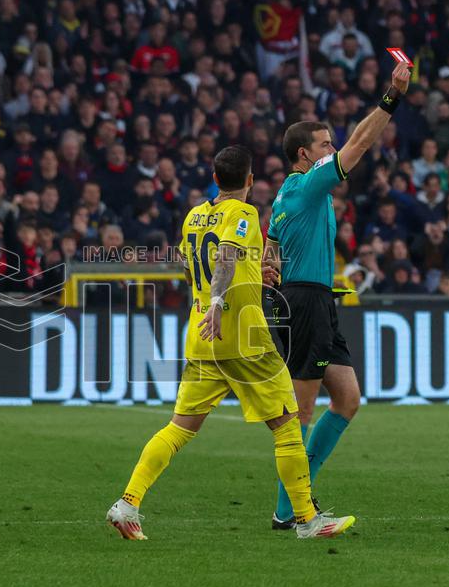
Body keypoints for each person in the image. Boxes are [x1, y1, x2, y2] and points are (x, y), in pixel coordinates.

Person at [106, 146, 355, 541]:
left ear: (214, 176)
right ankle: (307, 519)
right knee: (288, 424)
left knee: (179, 427)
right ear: (251, 180)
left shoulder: (194, 216)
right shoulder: (242, 213)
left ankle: (128, 502)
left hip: (202, 339)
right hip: (243, 337)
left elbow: (191, 269)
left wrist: (245, 280)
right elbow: (224, 256)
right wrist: (222, 303)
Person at [264, 61, 411, 530]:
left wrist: (273, 266)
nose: (333, 149)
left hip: (314, 300)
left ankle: (294, 504)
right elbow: (362, 144)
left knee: (347, 398)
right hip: (305, 302)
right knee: (301, 409)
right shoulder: (308, 187)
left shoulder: (288, 197)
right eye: (325, 144)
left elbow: (271, 248)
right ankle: (291, 512)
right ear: (305, 154)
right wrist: (392, 94)